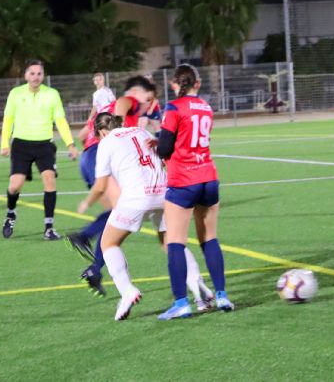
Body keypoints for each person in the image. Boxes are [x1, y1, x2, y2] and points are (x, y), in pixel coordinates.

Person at [78, 113, 212, 321]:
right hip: (165, 191)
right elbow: (163, 156)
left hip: (137, 196)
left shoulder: (106, 142)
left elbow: (101, 184)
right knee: (171, 243)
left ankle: (127, 292)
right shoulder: (141, 131)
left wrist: (87, 202)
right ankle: (199, 288)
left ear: (101, 132)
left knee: (108, 243)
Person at [156, 64, 234, 321]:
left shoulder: (173, 107)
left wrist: (158, 144)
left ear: (174, 84)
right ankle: (221, 294)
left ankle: (181, 303)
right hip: (209, 177)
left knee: (174, 241)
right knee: (209, 238)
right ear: (197, 84)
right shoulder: (206, 107)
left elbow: (166, 148)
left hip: (183, 180)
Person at [67, 75, 156, 296]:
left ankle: (95, 268)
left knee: (116, 215)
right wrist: (117, 130)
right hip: (100, 154)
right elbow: (123, 106)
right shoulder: (129, 101)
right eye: (150, 96)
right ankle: (85, 239)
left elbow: (82, 134)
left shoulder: (104, 111)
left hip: (89, 158)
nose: (150, 101)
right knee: (120, 213)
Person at [0, 59, 79, 241]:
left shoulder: (52, 94)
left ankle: (49, 228)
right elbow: (8, 119)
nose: (36, 77)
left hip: (44, 145)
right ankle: (11, 214)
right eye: (32, 73)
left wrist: (70, 144)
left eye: (39, 73)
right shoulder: (15, 93)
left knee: (49, 180)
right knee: (15, 186)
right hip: (21, 144)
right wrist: (5, 142)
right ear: (26, 75)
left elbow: (60, 120)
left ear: (43, 76)